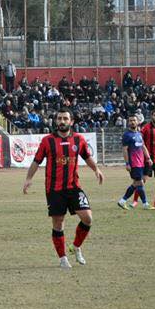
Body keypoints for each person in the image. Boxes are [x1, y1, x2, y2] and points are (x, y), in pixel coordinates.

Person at [23, 108, 104, 269]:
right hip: (54, 189)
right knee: (58, 223)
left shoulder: (78, 139)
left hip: (74, 186)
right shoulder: (47, 141)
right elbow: (36, 161)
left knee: (87, 218)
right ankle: (62, 258)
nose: (62, 121)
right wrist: (28, 178)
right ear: (56, 121)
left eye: (65, 119)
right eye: (59, 118)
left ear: (71, 121)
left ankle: (76, 246)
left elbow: (87, 157)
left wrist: (96, 169)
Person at [118, 114, 153, 210]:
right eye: (130, 120)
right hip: (134, 163)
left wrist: (148, 158)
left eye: (134, 120)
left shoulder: (139, 134)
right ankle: (145, 204)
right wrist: (127, 163)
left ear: (138, 122)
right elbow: (125, 150)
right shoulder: (126, 135)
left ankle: (122, 201)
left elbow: (143, 146)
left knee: (135, 183)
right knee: (140, 183)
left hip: (141, 163)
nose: (132, 122)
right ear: (128, 123)